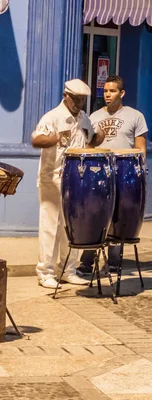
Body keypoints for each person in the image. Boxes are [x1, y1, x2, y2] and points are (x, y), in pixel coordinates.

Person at [31, 79, 106, 289]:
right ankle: (45, 272)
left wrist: (99, 137)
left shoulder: (83, 118)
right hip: (52, 178)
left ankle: (68, 269)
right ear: (66, 96)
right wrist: (53, 139)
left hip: (76, 179)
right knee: (50, 226)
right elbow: (36, 140)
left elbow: (91, 141)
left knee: (71, 226)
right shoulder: (52, 117)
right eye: (76, 99)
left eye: (82, 100)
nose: (79, 103)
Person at [79, 75, 148, 274]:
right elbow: (89, 146)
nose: (108, 95)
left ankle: (114, 262)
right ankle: (87, 262)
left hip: (123, 172)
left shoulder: (136, 116)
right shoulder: (94, 116)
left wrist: (137, 174)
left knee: (118, 216)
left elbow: (140, 149)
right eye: (105, 91)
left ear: (122, 93)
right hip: (98, 173)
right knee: (95, 216)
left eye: (112, 91)